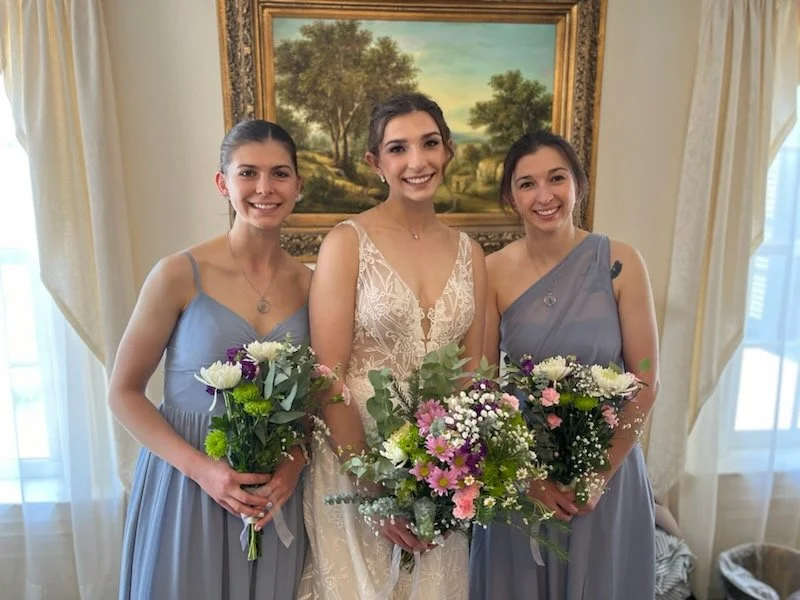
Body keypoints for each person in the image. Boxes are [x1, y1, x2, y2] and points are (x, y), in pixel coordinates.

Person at [110, 120, 311, 599]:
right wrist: (203, 469)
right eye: (248, 173)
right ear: (223, 183)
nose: (265, 188)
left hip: (272, 496)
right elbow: (123, 393)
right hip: (187, 485)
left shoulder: (311, 284)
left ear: (298, 186)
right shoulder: (179, 273)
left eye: (280, 174)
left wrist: (293, 467)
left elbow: (315, 399)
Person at [300, 93, 487, 600]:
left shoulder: (472, 254)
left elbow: (472, 378)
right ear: (375, 162)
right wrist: (371, 486)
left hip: (436, 474)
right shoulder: (346, 242)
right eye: (398, 148)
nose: (417, 162)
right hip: (351, 465)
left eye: (429, 144)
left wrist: (448, 480)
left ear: (448, 151)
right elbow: (326, 376)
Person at [469, 131, 658, 599]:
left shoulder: (622, 262)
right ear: (510, 197)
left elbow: (646, 380)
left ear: (578, 184)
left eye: (557, 178)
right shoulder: (491, 272)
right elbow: (481, 385)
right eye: (527, 184)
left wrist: (597, 475)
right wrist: (527, 478)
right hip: (523, 477)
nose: (544, 195)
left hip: (607, 478)